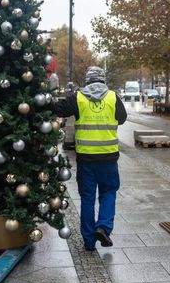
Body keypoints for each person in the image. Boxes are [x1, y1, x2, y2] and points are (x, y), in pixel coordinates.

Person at [49, 66, 127, 251]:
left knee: (87, 198)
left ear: (88, 80)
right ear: (103, 80)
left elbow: (59, 108)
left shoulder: (79, 97)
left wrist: (42, 100)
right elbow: (122, 118)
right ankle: (103, 227)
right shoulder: (112, 97)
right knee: (108, 192)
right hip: (108, 157)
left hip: (86, 159)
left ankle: (89, 241)